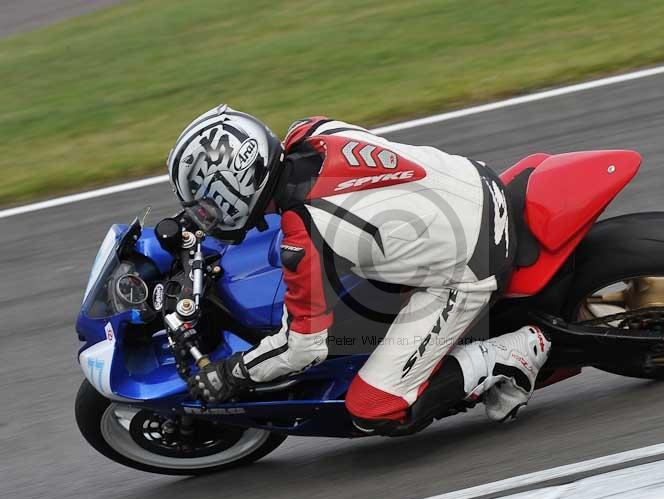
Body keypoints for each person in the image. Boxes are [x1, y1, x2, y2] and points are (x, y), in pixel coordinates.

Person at [168, 104, 551, 435]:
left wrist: (232, 373)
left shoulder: (305, 237)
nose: (204, 215)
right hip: (476, 182)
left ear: (235, 188)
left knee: (373, 408)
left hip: (474, 264)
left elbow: (302, 347)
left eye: (207, 204)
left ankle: (509, 355)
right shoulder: (312, 130)